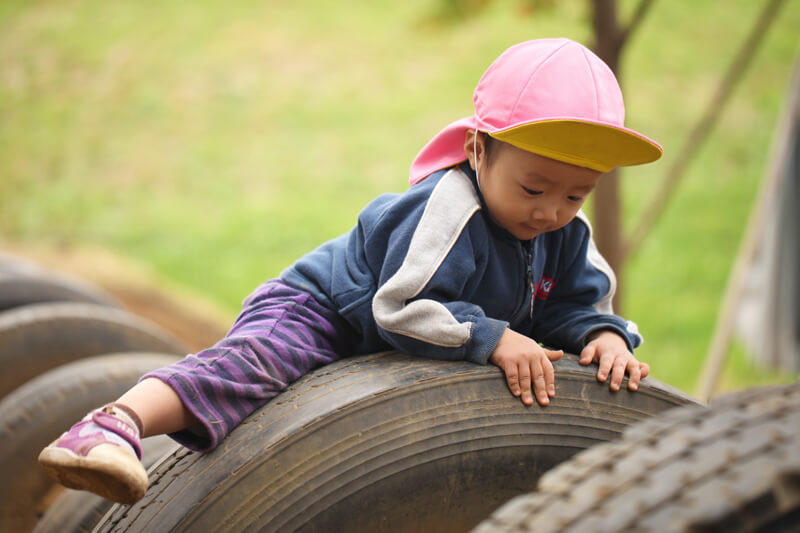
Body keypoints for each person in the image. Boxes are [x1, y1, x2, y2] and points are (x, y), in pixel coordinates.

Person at [39, 38, 662, 505]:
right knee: (251, 369)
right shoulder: (448, 209)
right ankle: (113, 425)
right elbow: (401, 307)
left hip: (388, 344)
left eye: (576, 195)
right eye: (533, 186)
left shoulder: (561, 233)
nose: (551, 209)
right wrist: (494, 337)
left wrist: (602, 337)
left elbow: (575, 304)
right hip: (325, 311)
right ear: (477, 151)